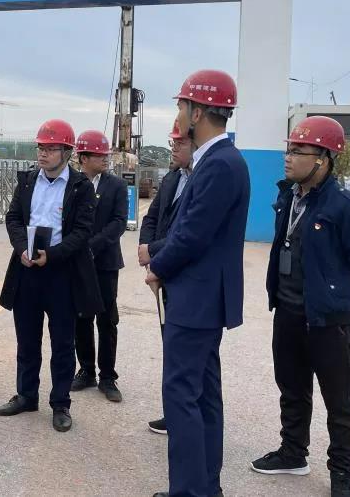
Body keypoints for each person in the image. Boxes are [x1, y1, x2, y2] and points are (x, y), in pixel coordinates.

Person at [250, 116, 350, 497]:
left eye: (298, 151)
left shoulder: (346, 207)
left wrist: (340, 297)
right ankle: (293, 452)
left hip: (328, 320)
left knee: (338, 401)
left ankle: (342, 473)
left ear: (323, 159)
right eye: (288, 150)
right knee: (292, 388)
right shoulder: (288, 197)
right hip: (288, 312)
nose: (288, 157)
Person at [138, 70, 249, 497]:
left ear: (198, 112)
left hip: (196, 298)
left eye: (182, 106)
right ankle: (205, 487)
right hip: (201, 297)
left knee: (182, 396)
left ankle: (189, 491)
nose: (179, 114)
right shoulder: (218, 161)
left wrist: (158, 267)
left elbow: (192, 235)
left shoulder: (219, 164)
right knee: (202, 395)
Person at [0, 119, 103, 433]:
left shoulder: (81, 187)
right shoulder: (28, 181)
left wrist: (52, 255)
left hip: (62, 274)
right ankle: (26, 395)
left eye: (51, 148)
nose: (43, 153)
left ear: (67, 152)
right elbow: (13, 218)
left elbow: (82, 232)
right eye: (40, 147)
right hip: (27, 270)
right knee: (27, 340)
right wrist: (21, 248)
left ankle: (60, 404)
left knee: (62, 344)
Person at [139, 119, 192, 436]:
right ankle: (173, 411)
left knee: (185, 353)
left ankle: (184, 415)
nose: (173, 149)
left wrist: (153, 252)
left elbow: (185, 234)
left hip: (181, 275)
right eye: (172, 143)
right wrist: (146, 251)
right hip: (161, 273)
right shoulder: (173, 177)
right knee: (169, 345)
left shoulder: (202, 182)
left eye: (179, 143)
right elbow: (152, 217)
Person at [70, 129, 128, 403]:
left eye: (106, 154)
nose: (105, 158)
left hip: (105, 262)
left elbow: (119, 222)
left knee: (107, 319)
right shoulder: (73, 184)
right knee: (81, 317)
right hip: (77, 262)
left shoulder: (116, 186)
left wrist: (92, 246)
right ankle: (86, 370)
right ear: (83, 157)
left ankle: (107, 376)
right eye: (98, 154)